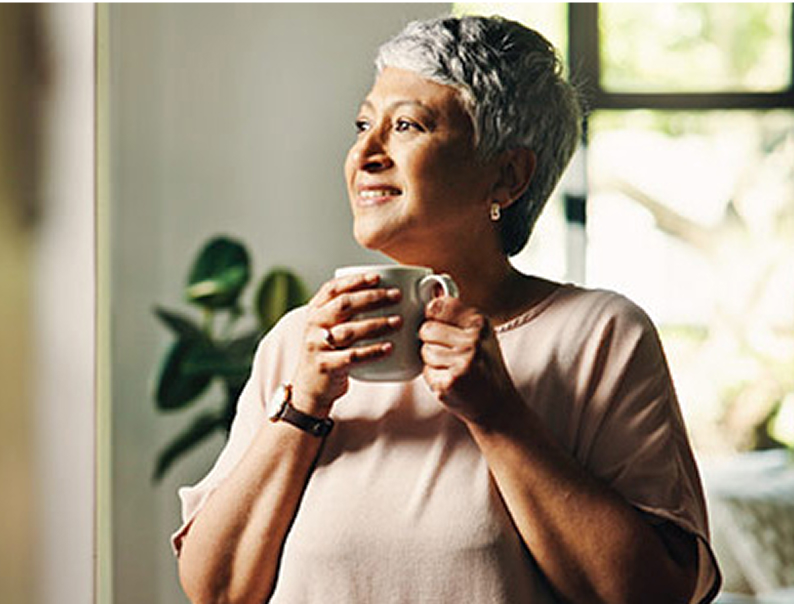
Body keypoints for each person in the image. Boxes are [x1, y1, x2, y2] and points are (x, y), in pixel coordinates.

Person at [172, 15, 721, 604]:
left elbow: (653, 596)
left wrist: (497, 414)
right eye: (363, 124)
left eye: (406, 125)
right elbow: (217, 591)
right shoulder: (296, 344)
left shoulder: (601, 335)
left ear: (507, 176)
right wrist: (303, 406)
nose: (366, 152)